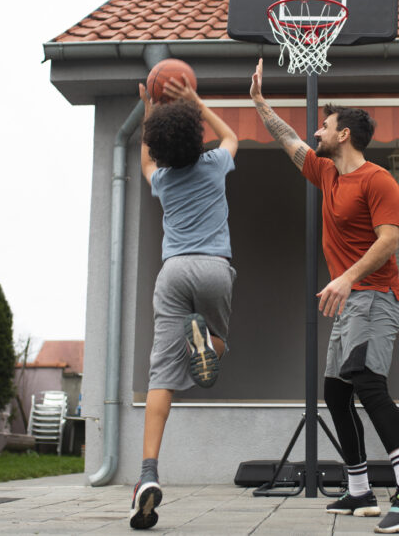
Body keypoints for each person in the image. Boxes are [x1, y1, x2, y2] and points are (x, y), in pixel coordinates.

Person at [248, 58, 399, 533]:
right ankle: (359, 492)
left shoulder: (378, 180)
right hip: (352, 300)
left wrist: (346, 277)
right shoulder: (327, 173)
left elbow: (389, 240)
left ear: (345, 135)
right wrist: (259, 104)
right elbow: (290, 143)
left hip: (376, 297)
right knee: (336, 393)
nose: (317, 132)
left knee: (367, 381)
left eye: (325, 126)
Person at [129, 73, 239, 530]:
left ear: (161, 146)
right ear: (196, 138)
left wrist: (148, 114)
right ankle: (205, 345)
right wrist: (196, 100)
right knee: (219, 344)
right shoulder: (214, 164)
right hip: (214, 268)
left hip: (172, 273)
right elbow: (232, 136)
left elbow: (145, 162)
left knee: (161, 375)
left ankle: (148, 474)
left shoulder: (164, 182)